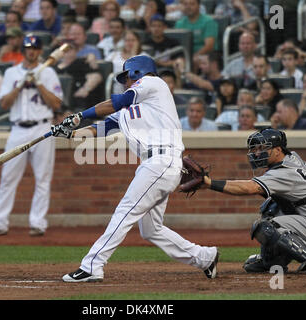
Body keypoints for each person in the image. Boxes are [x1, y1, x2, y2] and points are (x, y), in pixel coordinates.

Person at [51, 55, 219, 282]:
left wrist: (79, 115)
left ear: (137, 72)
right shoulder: (132, 109)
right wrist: (70, 132)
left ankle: (92, 265)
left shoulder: (153, 83)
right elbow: (102, 128)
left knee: (125, 211)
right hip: (155, 164)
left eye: (127, 77)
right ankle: (204, 257)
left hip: (161, 160)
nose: (126, 82)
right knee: (151, 229)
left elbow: (116, 102)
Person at [198, 128, 306, 274]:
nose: (256, 153)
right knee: (270, 208)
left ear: (278, 150)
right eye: (255, 149)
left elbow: (250, 188)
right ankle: (273, 261)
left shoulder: (284, 172)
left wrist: (210, 183)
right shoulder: (291, 157)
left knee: (267, 226)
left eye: (262, 148)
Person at [0, 35, 63, 237]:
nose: (30, 51)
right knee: (8, 177)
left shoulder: (48, 72)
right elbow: (4, 103)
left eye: (34, 48)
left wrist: (39, 83)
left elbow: (57, 104)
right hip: (18, 129)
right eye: (27, 48)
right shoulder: (11, 72)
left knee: (43, 178)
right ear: (23, 51)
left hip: (42, 127)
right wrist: (20, 84)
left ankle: (38, 223)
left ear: (40, 51)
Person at [54, 42, 103, 111]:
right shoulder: (54, 67)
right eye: (64, 49)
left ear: (76, 51)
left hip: (77, 99)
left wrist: (85, 89)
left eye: (70, 49)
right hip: (57, 98)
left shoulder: (82, 62)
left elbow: (96, 76)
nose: (67, 52)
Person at [175, 0, 218, 66]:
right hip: (185, 55)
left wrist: (194, 56)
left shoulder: (208, 21)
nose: (188, 7)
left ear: (199, 6)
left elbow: (209, 46)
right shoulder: (179, 23)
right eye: (185, 4)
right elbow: (176, 44)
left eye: (192, 4)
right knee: (177, 62)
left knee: (194, 60)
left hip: (205, 55)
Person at [106, 30, 148, 94]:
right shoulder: (114, 54)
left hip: (136, 85)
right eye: (127, 40)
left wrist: (133, 53)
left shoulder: (144, 56)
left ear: (138, 42)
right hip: (115, 83)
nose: (130, 43)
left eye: (133, 40)